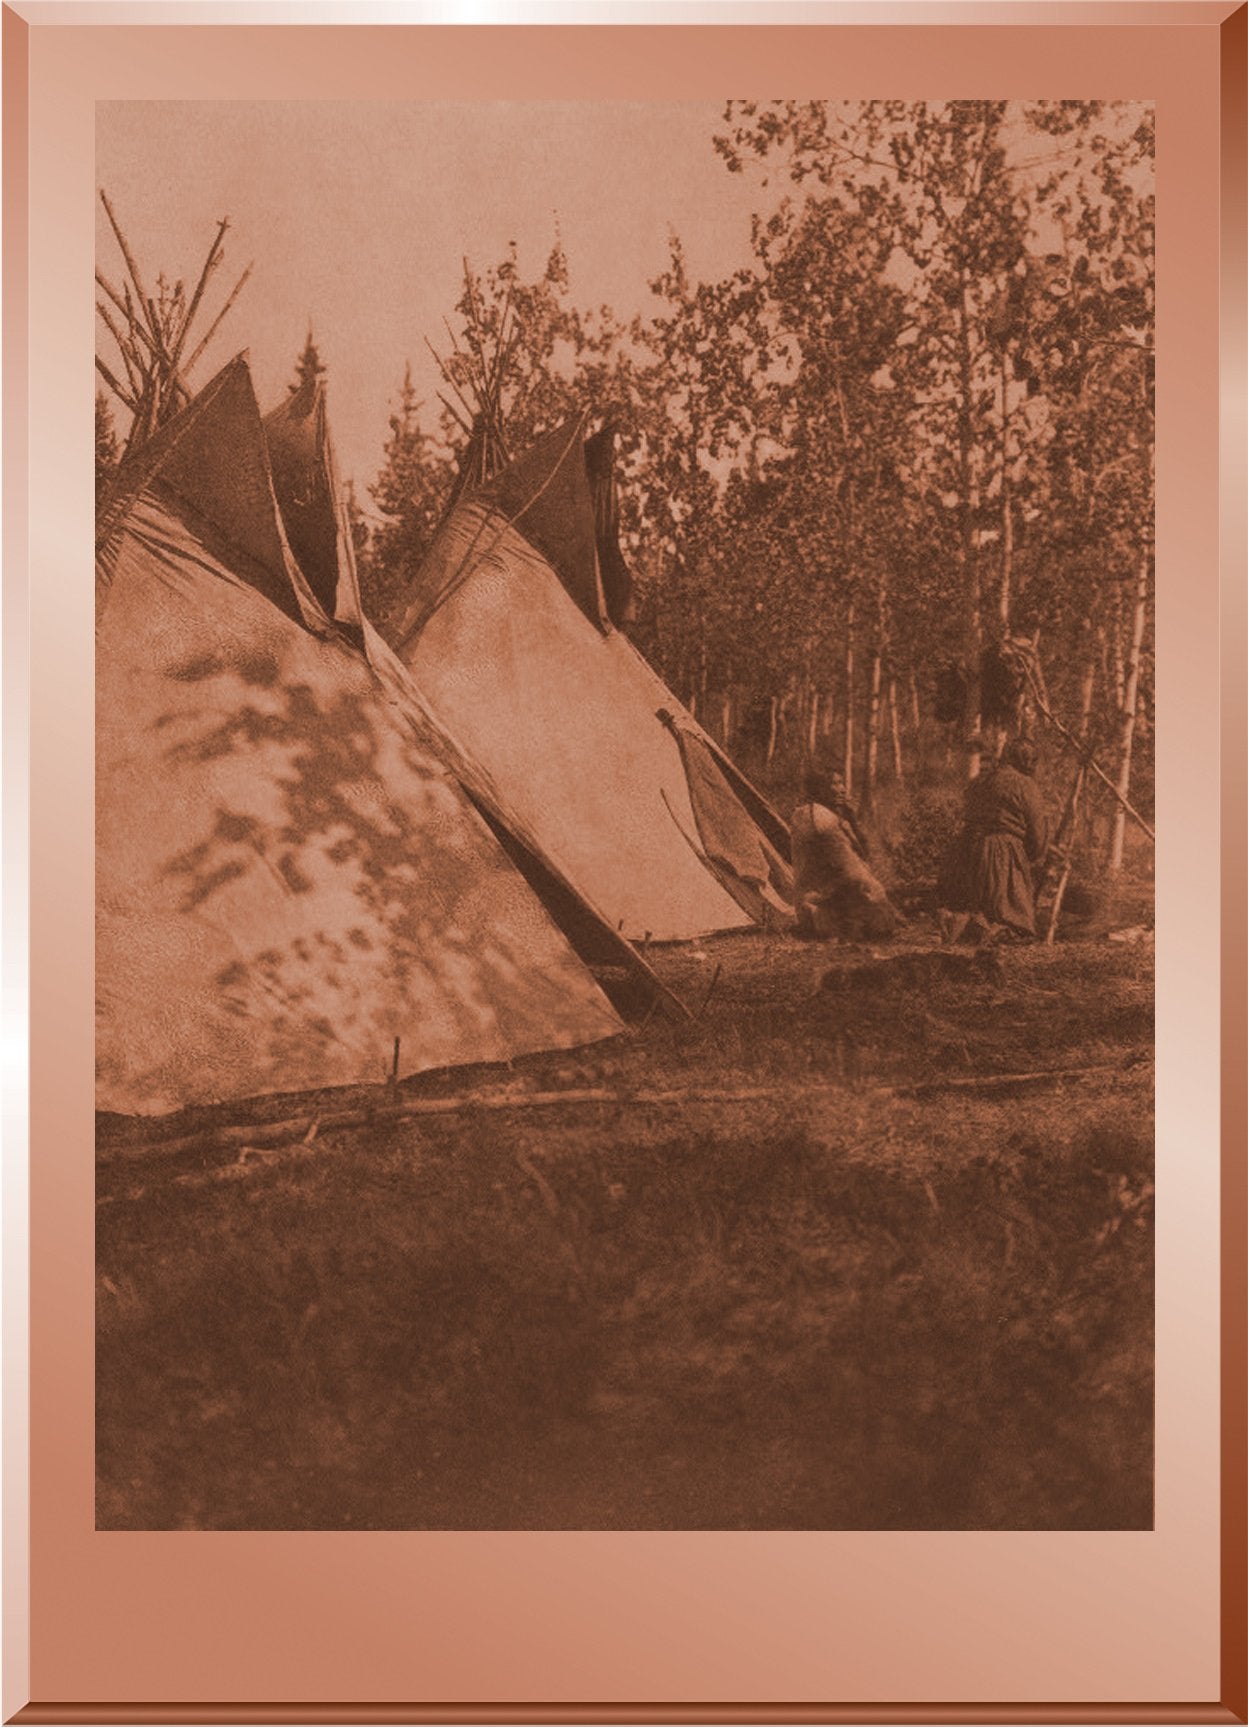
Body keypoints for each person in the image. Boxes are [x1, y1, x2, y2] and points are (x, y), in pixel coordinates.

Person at [941, 738, 1051, 940]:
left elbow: (967, 814)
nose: (1033, 766)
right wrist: (1031, 855)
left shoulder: (979, 782)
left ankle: (969, 926)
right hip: (1004, 852)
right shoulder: (1025, 785)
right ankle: (997, 931)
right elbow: (1037, 835)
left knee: (976, 906)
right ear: (1024, 761)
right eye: (1031, 761)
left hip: (969, 850)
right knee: (1011, 916)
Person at [790, 770, 899, 941]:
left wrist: (851, 818)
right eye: (835, 783)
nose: (842, 789)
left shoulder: (821, 815)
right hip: (822, 906)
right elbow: (852, 870)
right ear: (819, 788)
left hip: (816, 904)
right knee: (880, 912)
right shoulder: (819, 817)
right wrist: (881, 901)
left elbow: (862, 855)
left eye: (841, 783)